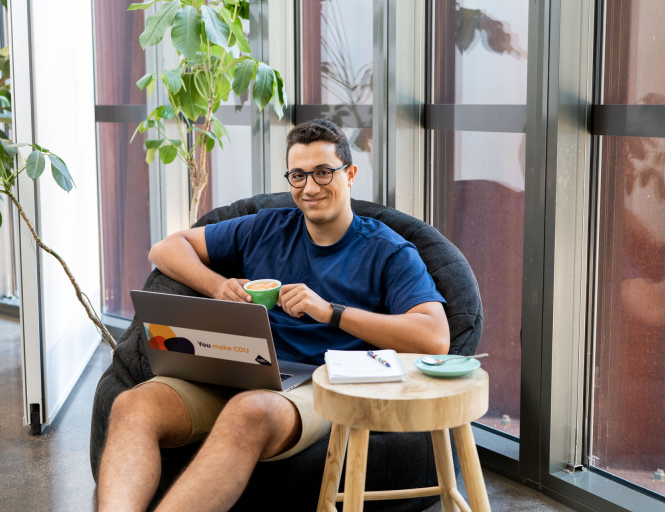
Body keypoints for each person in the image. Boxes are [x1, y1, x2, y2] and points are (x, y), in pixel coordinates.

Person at [97, 119, 450, 512]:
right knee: (133, 404)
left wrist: (331, 312)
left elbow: (435, 336)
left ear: (349, 174)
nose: (309, 188)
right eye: (298, 175)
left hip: (319, 382)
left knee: (249, 411)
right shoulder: (266, 227)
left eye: (322, 172)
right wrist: (217, 286)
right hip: (243, 366)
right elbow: (166, 249)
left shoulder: (388, 250)